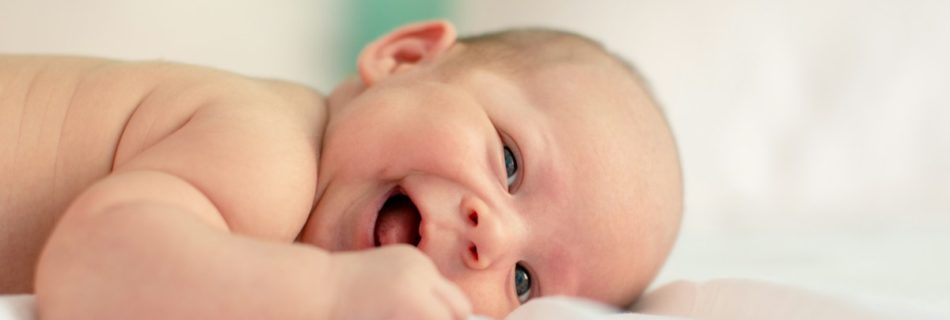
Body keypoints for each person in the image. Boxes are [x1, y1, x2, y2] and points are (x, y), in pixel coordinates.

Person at [0, 20, 682, 319]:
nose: (491, 238)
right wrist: (328, 297)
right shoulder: (270, 154)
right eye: (508, 162)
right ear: (405, 59)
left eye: (524, 282)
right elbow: (91, 272)